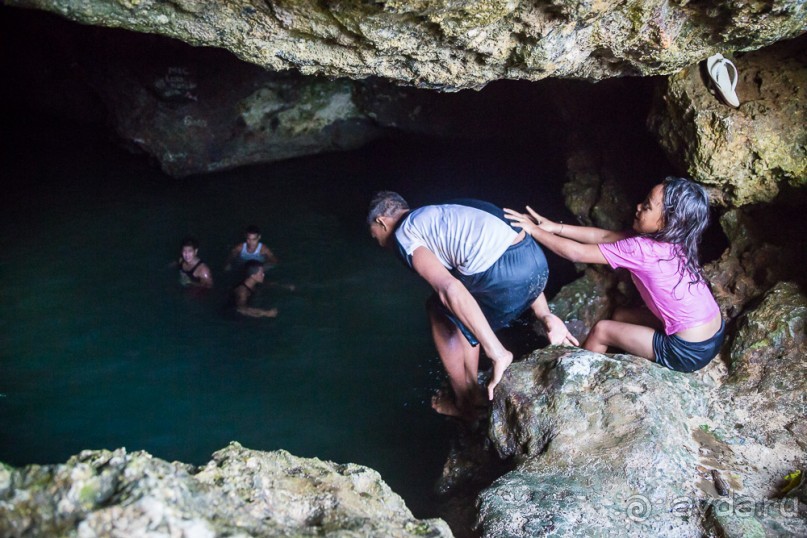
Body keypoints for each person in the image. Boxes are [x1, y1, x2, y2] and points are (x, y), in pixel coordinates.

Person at [368, 191, 577, 422]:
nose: (378, 242)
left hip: (503, 272)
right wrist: (544, 313)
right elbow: (506, 245)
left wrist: (496, 351)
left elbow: (449, 288)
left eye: (374, 235)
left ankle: (464, 402)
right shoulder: (441, 212)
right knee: (463, 303)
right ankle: (473, 388)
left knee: (439, 308)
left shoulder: (403, 234)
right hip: (536, 263)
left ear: (381, 222)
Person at [504, 176, 724, 373]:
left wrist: (534, 231)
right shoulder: (677, 239)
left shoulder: (642, 249)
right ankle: (617, 360)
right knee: (620, 315)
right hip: (713, 333)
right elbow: (606, 236)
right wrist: (555, 227)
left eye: (647, 207)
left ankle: (580, 375)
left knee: (602, 330)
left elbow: (575, 253)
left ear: (667, 222)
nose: (638, 206)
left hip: (688, 351)